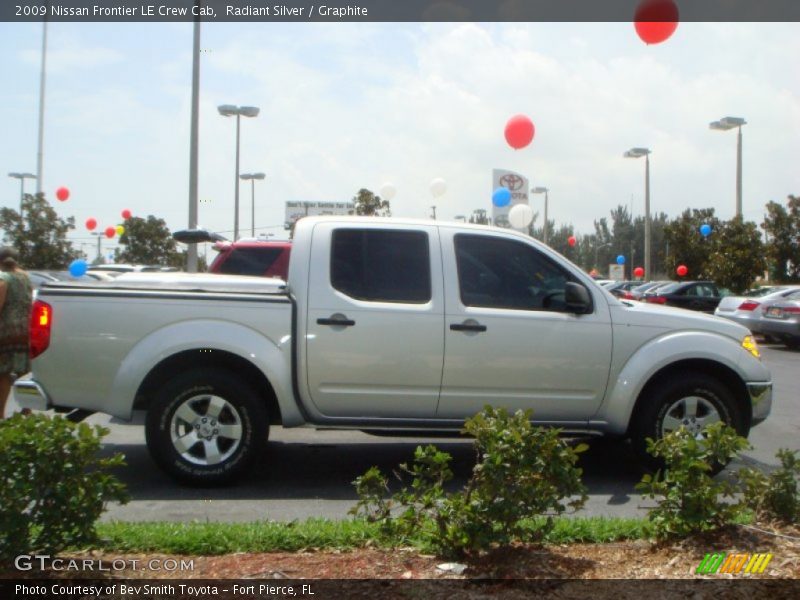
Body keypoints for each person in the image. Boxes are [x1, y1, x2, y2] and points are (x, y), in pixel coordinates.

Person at [0, 247, 33, 419]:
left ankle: (0, 413)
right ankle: (27, 410)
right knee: (23, 371)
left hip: (6, 330)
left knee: (3, 373)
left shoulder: (3, 278)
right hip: (24, 328)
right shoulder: (26, 277)